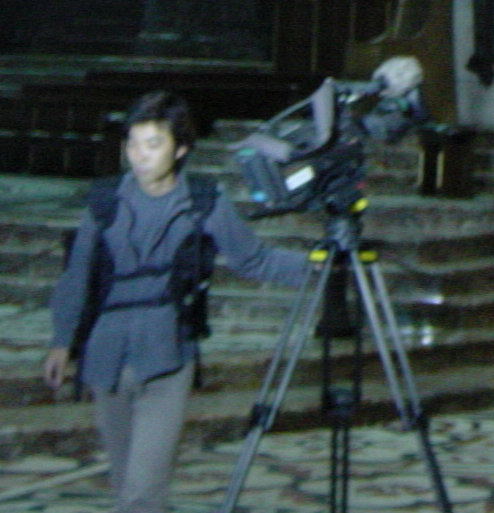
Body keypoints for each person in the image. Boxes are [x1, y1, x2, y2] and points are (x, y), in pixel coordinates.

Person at [46, 92, 310, 513]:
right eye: (132, 144)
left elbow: (253, 258)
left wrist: (321, 263)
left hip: (168, 353)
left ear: (180, 149)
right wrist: (62, 342)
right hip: (107, 353)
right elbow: (76, 275)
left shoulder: (204, 201)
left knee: (141, 493)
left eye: (153, 145)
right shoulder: (104, 201)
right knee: (124, 482)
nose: (139, 156)